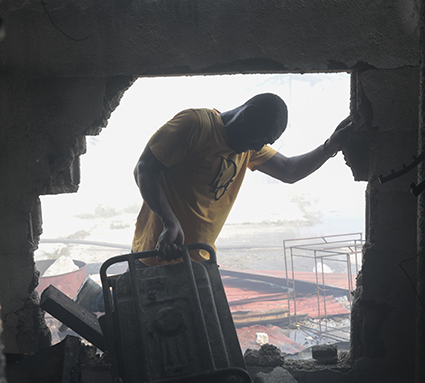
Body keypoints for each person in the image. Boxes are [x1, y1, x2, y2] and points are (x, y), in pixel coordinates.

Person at [131, 92, 352, 266]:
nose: (258, 147)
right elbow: (144, 169)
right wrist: (170, 222)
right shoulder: (196, 125)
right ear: (247, 115)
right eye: (260, 139)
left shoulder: (249, 147)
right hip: (157, 255)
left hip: (200, 260)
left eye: (265, 143)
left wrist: (330, 146)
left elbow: (288, 170)